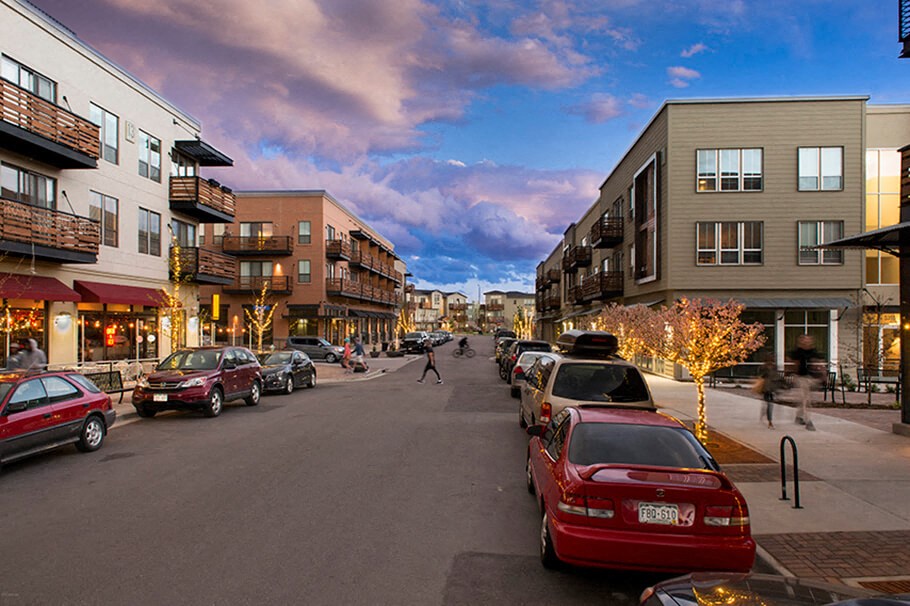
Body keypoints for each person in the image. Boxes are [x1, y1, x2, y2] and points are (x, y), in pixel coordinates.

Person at [788, 334, 819, 431]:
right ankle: (808, 420)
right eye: (804, 341)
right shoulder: (797, 352)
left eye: (808, 340)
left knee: (803, 400)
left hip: (809, 377)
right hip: (800, 377)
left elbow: (816, 362)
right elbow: (792, 363)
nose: (806, 342)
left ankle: (799, 417)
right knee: (806, 400)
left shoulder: (812, 352)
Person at [757, 352, 778, 429]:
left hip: (771, 387)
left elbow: (776, 376)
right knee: (768, 403)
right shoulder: (763, 367)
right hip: (766, 387)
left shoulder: (774, 367)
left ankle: (769, 419)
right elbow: (760, 375)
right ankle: (768, 419)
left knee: (769, 403)